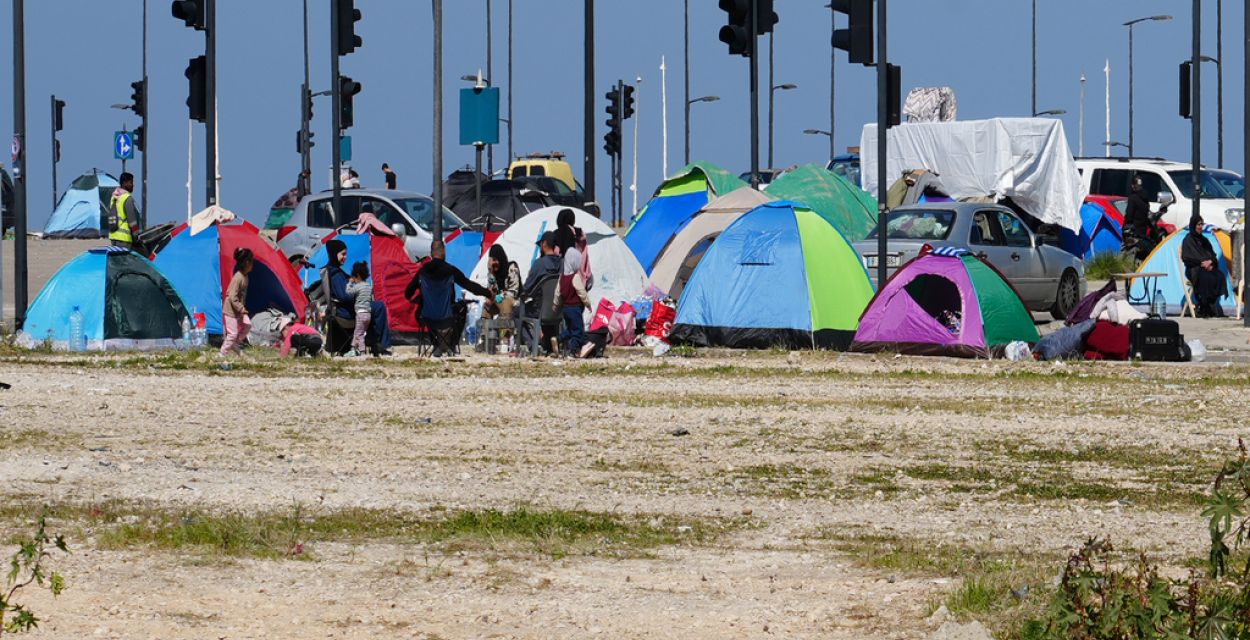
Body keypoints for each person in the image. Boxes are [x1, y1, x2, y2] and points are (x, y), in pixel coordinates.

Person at [404, 240, 492, 356]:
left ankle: (436, 344)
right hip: (447, 316)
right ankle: (452, 344)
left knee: (425, 306)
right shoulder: (450, 270)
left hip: (426, 317)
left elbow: (407, 293)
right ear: (444, 252)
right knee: (462, 307)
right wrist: (488, 293)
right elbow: (470, 286)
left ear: (431, 253)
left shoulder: (422, 271)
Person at [326, 239, 391, 355]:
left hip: (349, 309)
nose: (345, 257)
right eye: (343, 254)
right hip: (346, 312)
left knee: (374, 306)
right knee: (379, 306)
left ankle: (374, 341)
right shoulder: (335, 275)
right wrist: (360, 293)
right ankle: (380, 344)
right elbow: (344, 296)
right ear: (334, 253)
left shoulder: (334, 271)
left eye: (346, 254)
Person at [519, 231, 564, 354]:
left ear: (544, 244)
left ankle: (532, 345)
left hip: (539, 310)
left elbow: (526, 288)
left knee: (517, 313)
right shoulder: (563, 263)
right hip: (559, 310)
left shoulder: (539, 264)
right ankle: (549, 344)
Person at [1181, 216, 1229, 318]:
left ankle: (1209, 304)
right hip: (1194, 268)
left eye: (1202, 224)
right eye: (1198, 224)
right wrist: (1202, 263)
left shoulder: (1204, 240)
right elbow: (1187, 258)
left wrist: (1210, 262)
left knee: (1219, 276)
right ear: (1193, 225)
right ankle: (1205, 305)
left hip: (1208, 267)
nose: (1200, 227)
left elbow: (1213, 255)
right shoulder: (1188, 240)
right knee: (1206, 278)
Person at [558, 227, 593, 356]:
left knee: (571, 329)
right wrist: (588, 303)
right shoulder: (575, 277)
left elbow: (558, 293)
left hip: (565, 308)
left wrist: (556, 305)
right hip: (575, 308)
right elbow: (582, 292)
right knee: (578, 331)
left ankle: (557, 339)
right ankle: (573, 351)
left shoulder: (562, 277)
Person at [221, 248, 253, 356]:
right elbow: (231, 296)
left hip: (239, 310)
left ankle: (235, 343)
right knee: (232, 333)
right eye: (251, 261)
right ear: (246, 263)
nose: (252, 264)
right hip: (231, 310)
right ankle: (222, 353)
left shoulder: (245, 277)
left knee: (247, 325)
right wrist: (241, 308)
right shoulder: (238, 278)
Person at [1122, 176, 1158, 261]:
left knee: (1129, 254)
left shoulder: (1133, 198)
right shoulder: (1145, 198)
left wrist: (1126, 226)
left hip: (1134, 232)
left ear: (1133, 186)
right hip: (1143, 232)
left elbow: (1129, 215)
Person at [484, 244, 521, 319]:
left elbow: (513, 292)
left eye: (495, 260)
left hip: (514, 303)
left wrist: (498, 297)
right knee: (486, 307)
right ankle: (485, 329)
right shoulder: (494, 273)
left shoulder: (512, 267)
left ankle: (505, 330)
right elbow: (491, 291)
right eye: (492, 260)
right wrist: (491, 273)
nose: (494, 263)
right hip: (499, 302)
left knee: (506, 303)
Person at [108, 172, 142, 250]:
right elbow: (132, 221)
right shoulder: (127, 198)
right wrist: (136, 237)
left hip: (113, 236)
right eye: (131, 182)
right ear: (125, 183)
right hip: (124, 238)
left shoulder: (114, 197)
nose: (133, 185)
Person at [345, 261, 373, 356]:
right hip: (368, 314)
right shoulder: (369, 286)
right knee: (358, 332)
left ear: (357, 276)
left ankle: (362, 352)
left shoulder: (358, 286)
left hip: (360, 314)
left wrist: (349, 283)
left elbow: (348, 292)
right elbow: (371, 298)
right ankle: (352, 348)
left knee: (359, 334)